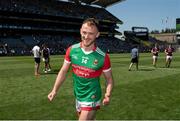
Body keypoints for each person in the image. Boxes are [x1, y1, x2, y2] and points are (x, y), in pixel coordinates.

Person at [48, 18, 114, 120]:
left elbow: (109, 79)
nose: (86, 37)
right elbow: (63, 71)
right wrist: (54, 90)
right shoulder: (72, 50)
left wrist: (107, 94)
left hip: (92, 96)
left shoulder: (103, 57)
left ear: (97, 35)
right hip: (78, 95)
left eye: (91, 34)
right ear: (80, 31)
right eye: (84, 32)